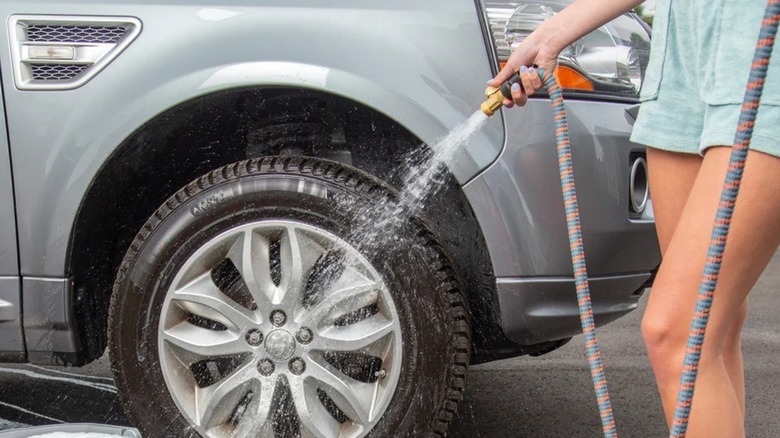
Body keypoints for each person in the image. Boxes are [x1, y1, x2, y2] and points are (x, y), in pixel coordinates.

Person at [489, 0, 780, 437]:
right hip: (683, 58)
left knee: (678, 335)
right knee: (714, 331)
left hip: (766, 52)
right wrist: (552, 34)